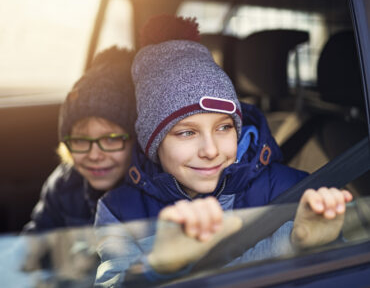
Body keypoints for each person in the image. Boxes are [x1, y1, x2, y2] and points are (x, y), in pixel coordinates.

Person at [93, 15, 353, 285]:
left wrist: (315, 244)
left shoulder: (296, 189)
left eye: (224, 128)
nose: (210, 150)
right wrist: (157, 266)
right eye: (187, 132)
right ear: (153, 142)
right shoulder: (118, 211)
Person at [23, 46, 137, 233]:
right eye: (81, 140)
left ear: (137, 141)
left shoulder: (150, 193)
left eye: (111, 139)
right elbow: (36, 243)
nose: (94, 155)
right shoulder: (64, 185)